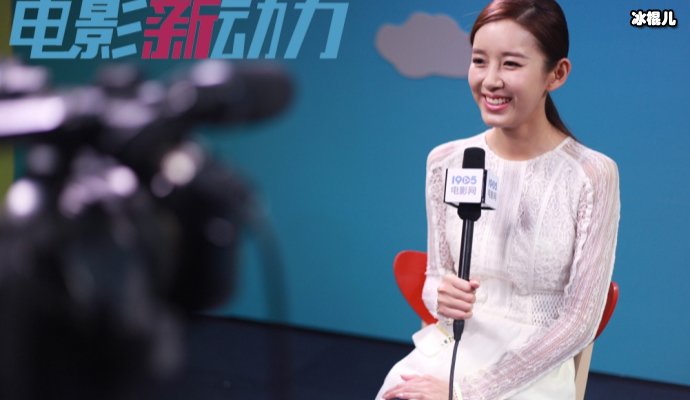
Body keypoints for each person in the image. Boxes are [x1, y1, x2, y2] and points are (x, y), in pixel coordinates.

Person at [376, 0, 620, 399]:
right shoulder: (445, 161)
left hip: (535, 366)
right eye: (479, 61)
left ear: (557, 73)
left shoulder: (592, 174)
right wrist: (441, 294)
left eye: (510, 64)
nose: (490, 80)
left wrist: (466, 392)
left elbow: (579, 322)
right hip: (455, 344)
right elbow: (435, 279)